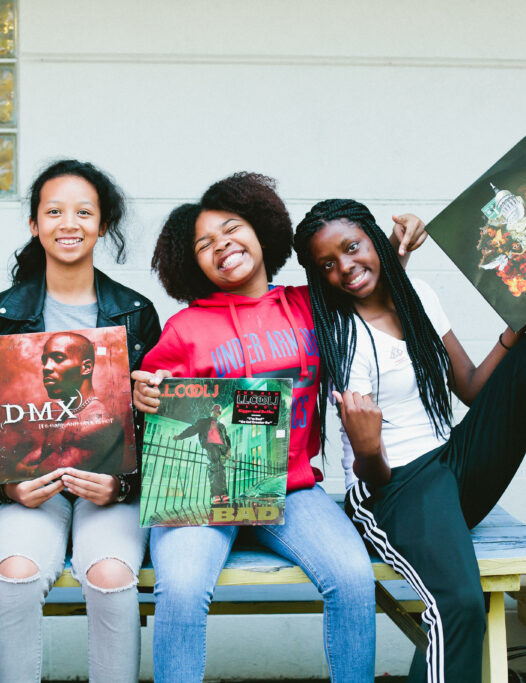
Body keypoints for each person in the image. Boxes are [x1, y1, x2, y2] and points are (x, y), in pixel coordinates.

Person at [291, 198, 526, 682]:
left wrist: (520, 324)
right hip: (393, 487)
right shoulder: (345, 337)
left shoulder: (417, 295)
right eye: (327, 264)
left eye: (352, 248)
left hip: (452, 462)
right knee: (458, 605)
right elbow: (373, 472)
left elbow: (472, 388)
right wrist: (367, 447)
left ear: (374, 239)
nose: (345, 268)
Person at [132, 172, 425, 683]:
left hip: (292, 490)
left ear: (261, 231)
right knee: (179, 588)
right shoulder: (184, 329)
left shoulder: (310, 305)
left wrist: (396, 251)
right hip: (203, 493)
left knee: (353, 577)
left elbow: (366, 289)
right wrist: (144, 395)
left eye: (232, 229)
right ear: (192, 263)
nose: (222, 245)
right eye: (204, 244)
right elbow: (154, 402)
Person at [0, 159, 161, 683]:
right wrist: (9, 489)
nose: (68, 223)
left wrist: (122, 484)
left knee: (110, 576)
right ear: (35, 224)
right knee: (16, 574)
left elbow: (154, 425)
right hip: (35, 488)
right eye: (54, 211)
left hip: (109, 489)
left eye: (83, 211)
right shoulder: (3, 313)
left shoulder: (135, 312)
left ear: (102, 224)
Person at [12, 331, 125, 475]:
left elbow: (46, 475)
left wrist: (24, 470)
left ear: (86, 368)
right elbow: (27, 464)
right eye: (45, 360)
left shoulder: (98, 421)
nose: (46, 367)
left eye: (58, 358)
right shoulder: (66, 415)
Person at [174, 403, 232, 504]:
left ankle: (222, 494)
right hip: (211, 446)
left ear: (219, 414)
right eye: (214, 411)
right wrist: (180, 436)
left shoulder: (221, 426)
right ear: (211, 411)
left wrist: (228, 450)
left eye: (218, 412)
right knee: (214, 467)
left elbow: (226, 438)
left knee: (221, 470)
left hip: (221, 449)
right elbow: (192, 429)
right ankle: (216, 495)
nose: (216, 413)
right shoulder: (204, 422)